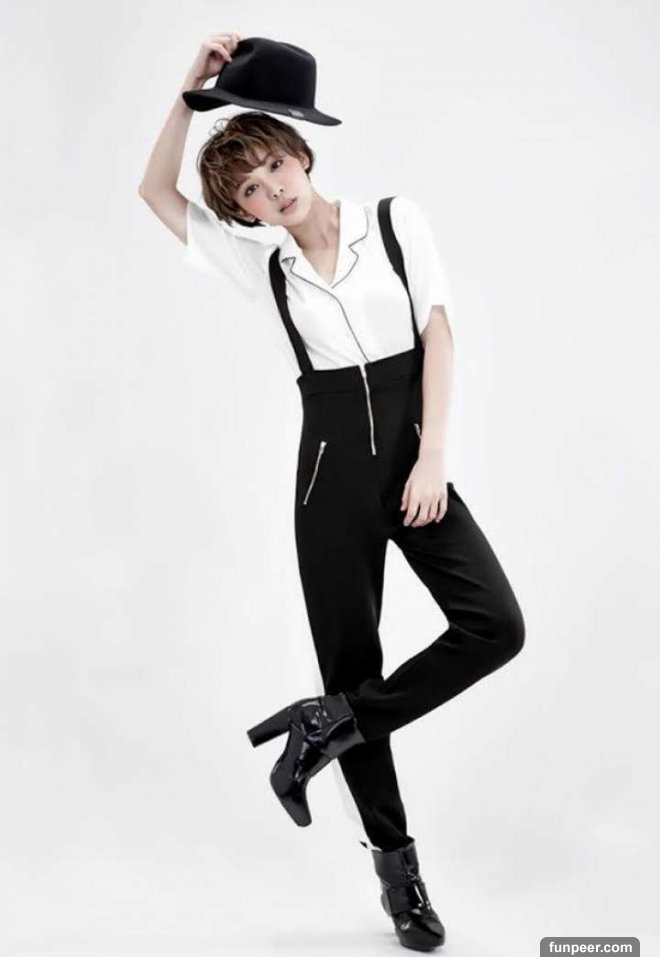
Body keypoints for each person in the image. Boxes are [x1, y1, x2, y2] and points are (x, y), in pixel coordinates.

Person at [139, 31, 526, 954]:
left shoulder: (393, 220)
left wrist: (433, 458)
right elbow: (155, 192)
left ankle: (329, 725)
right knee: (351, 661)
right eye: (250, 191)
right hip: (328, 478)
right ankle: (400, 875)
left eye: (276, 167)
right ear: (244, 210)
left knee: (496, 626)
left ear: (301, 154)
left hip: (413, 462)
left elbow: (439, 335)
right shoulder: (261, 265)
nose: (273, 191)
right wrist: (190, 90)